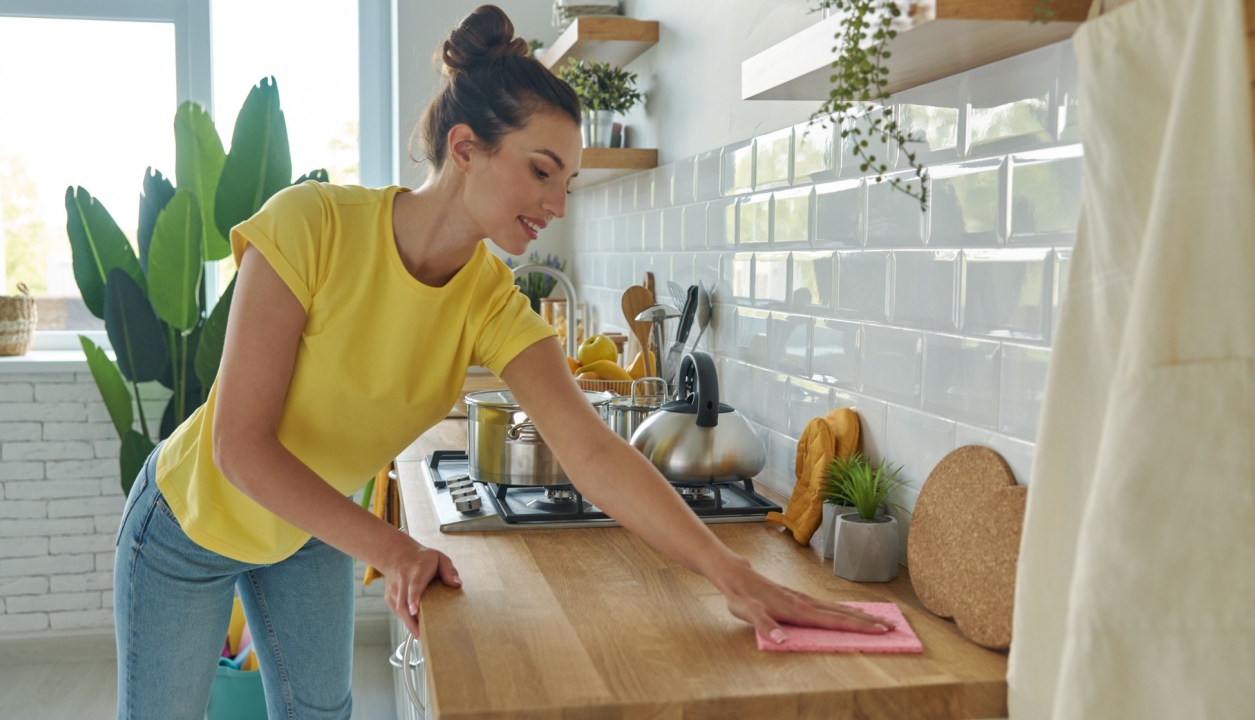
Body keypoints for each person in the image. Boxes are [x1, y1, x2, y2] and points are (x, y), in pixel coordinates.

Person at [112, 5, 894, 718]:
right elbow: (239, 447)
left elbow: (592, 450)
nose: (557, 201)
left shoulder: (490, 297)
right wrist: (395, 549)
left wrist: (736, 577)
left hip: (309, 528)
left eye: (568, 181)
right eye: (541, 169)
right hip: (189, 523)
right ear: (465, 148)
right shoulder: (311, 225)